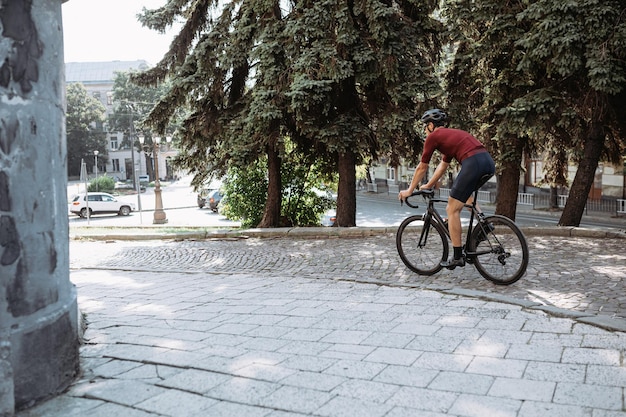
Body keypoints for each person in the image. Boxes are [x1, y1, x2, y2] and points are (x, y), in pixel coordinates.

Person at [398, 109, 495, 269]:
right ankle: (484, 224)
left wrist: (409, 190)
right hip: (487, 163)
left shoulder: (433, 137)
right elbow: (443, 166)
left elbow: (422, 167)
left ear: (430, 125)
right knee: (464, 197)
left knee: (451, 208)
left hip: (473, 163)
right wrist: (428, 185)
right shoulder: (450, 136)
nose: (424, 130)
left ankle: (457, 256)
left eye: (424, 127)